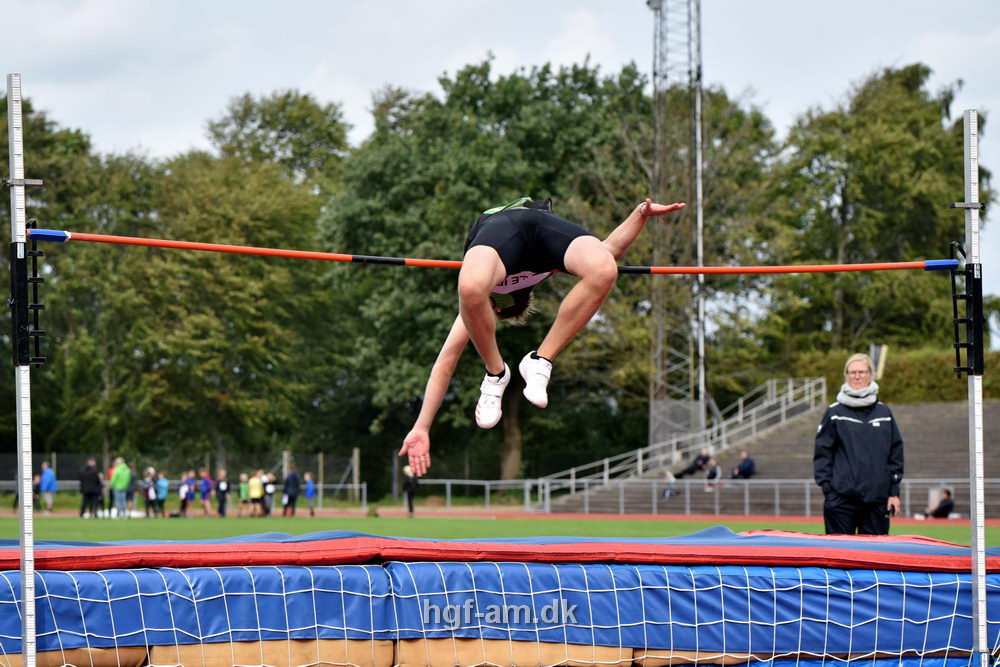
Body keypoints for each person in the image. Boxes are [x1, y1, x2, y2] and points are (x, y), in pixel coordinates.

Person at [398, 197, 685, 475]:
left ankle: (535, 361)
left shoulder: (483, 301)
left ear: (495, 307)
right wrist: (640, 214)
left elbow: (445, 363)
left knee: (602, 270)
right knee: (475, 289)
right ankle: (497, 374)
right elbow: (610, 248)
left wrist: (422, 426)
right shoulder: (535, 273)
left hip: (515, 226)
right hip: (523, 228)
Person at [814, 352, 904, 535]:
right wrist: (829, 492)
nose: (857, 376)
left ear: (870, 375)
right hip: (841, 500)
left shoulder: (884, 412)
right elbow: (822, 454)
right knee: (838, 552)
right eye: (852, 372)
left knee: (874, 553)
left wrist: (894, 493)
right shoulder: (834, 413)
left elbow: (895, 453)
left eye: (862, 372)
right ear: (846, 375)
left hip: (877, 501)